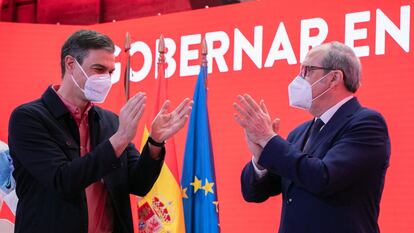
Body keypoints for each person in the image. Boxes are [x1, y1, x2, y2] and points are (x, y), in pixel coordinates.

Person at [8, 30, 193, 233]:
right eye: (99, 69)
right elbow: (63, 180)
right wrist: (119, 139)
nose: (106, 78)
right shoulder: (29, 118)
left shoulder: (110, 122)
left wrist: (155, 143)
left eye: (111, 72)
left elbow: (139, 183)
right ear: (70, 64)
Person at [234, 41, 390, 233]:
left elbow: (323, 178)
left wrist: (269, 139)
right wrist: (260, 158)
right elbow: (253, 193)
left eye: (307, 70)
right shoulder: (298, 133)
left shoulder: (366, 124)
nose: (299, 78)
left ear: (334, 78)